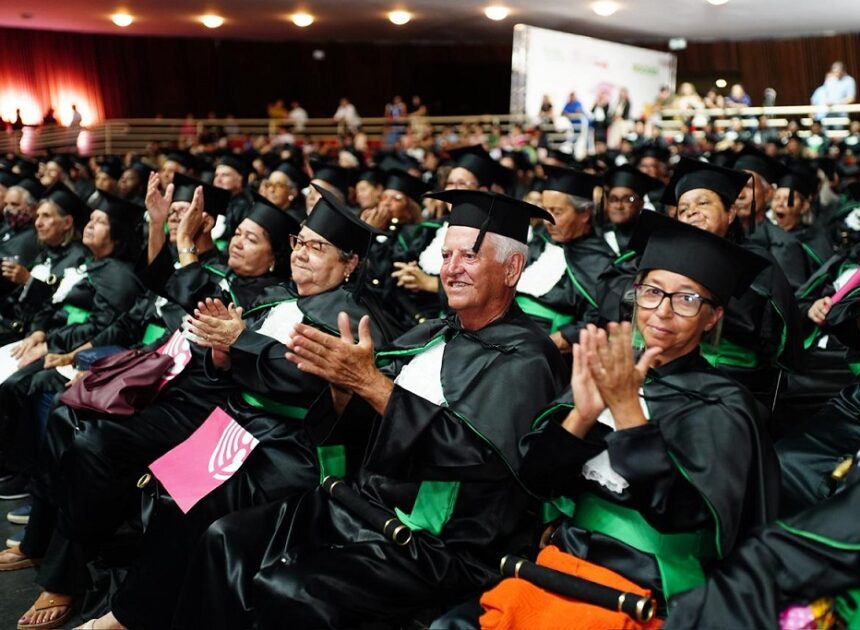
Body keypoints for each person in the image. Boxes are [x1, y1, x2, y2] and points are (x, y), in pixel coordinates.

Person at [172, 189, 567, 629]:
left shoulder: (526, 358)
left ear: (512, 267)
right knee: (225, 540)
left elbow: (469, 454)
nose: (451, 269)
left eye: (469, 257)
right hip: (359, 505)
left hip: (433, 543)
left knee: (289, 590)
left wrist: (367, 382)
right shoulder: (433, 331)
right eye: (447, 254)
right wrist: (343, 387)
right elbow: (361, 425)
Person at [76, 185, 400, 629]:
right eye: (300, 241)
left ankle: (131, 615)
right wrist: (223, 354)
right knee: (167, 492)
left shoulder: (349, 315)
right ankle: (147, 605)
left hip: (294, 448)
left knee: (194, 506)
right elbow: (239, 365)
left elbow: (303, 376)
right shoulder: (282, 297)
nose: (302, 253)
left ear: (350, 263)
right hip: (241, 427)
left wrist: (240, 342)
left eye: (318, 247)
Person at [479, 211, 778, 626]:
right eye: (652, 291)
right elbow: (537, 480)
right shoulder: (612, 368)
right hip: (566, 560)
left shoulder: (723, 404)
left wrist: (628, 413)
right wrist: (582, 416)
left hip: (651, 582)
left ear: (713, 317)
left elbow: (683, 515)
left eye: (688, 298)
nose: (663, 312)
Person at [515, 165, 615, 354]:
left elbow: (598, 318)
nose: (547, 220)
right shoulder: (540, 240)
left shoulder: (599, 260)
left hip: (546, 348)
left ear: (584, 214)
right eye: (545, 210)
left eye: (557, 212)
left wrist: (550, 344)